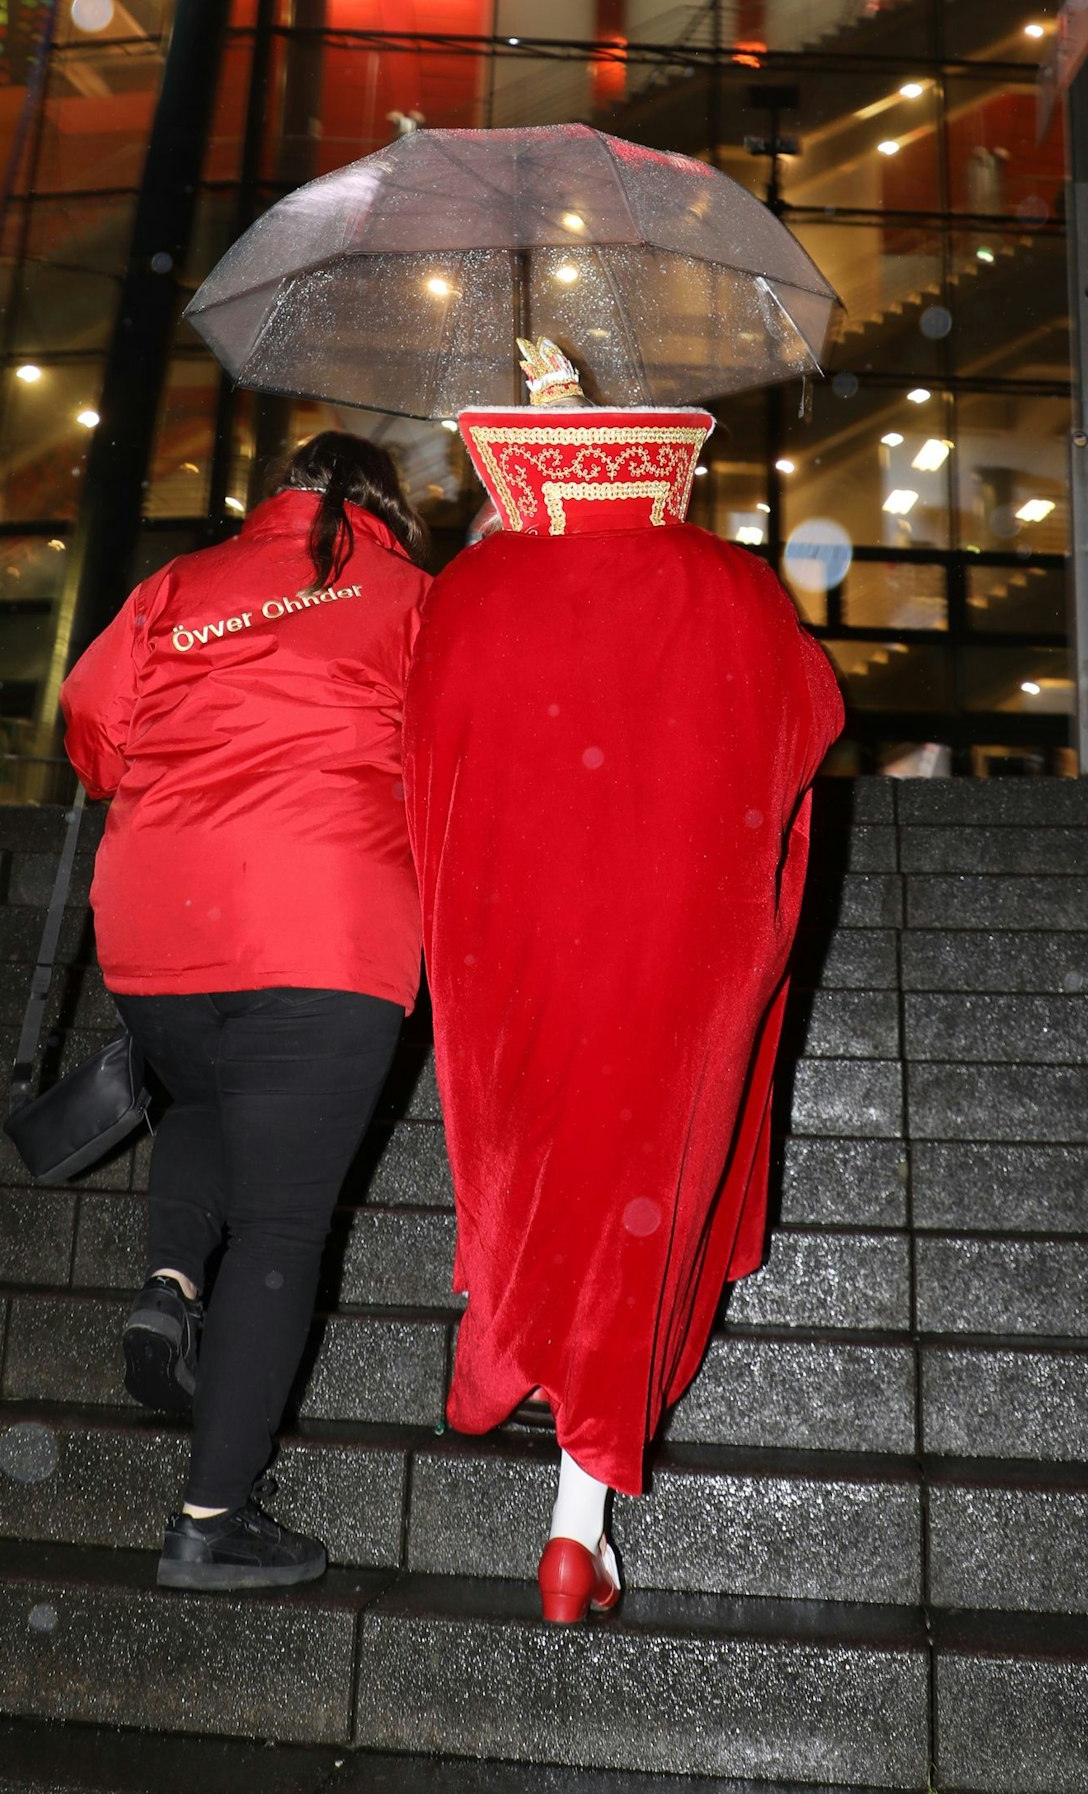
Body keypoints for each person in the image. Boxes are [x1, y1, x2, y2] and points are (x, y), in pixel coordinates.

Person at [403, 351, 844, 1622]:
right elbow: (809, 718)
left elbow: (417, 748)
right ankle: (574, 1509)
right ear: (667, 464)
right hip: (678, 934)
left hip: (516, 940)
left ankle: (571, 1496)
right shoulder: (730, 584)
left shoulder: (473, 587)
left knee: (545, 1170)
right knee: (648, 1172)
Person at [61, 431, 431, 1593]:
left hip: (155, 921)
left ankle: (169, 1282)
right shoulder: (414, 597)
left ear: (272, 490)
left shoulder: (177, 583)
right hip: (323, 930)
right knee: (278, 1231)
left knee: (212, 1085)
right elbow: (456, 753)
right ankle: (211, 1518)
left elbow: (91, 728)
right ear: (383, 504)